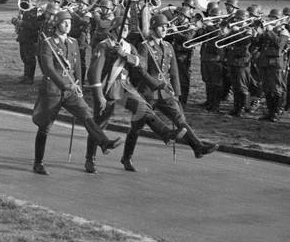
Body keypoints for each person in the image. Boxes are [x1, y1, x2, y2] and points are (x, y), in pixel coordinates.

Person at [85, 20, 181, 174]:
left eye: (128, 28)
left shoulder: (128, 46)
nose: (125, 30)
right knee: (100, 124)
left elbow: (141, 63)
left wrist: (124, 55)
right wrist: (99, 95)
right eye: (122, 28)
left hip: (124, 87)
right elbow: (94, 73)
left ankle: (165, 133)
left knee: (143, 108)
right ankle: (90, 158)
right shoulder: (104, 45)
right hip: (107, 88)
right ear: (113, 30)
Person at [32, 9, 121, 174]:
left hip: (72, 90)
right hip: (53, 89)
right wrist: (65, 85)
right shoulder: (48, 42)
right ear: (57, 24)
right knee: (44, 127)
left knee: (87, 115)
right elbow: (48, 68)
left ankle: (104, 143)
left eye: (70, 23)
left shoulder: (72, 42)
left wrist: (78, 84)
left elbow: (78, 66)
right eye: (64, 23)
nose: (67, 25)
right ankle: (38, 163)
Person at [125, 14, 219, 168]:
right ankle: (127, 158)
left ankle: (198, 147)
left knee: (180, 119)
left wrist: (178, 93)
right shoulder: (145, 46)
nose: (165, 29)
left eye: (166, 26)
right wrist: (156, 84)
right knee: (137, 126)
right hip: (148, 92)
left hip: (166, 92)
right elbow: (142, 70)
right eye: (161, 26)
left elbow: (174, 72)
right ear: (154, 28)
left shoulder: (168, 46)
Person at [255, 10, 289, 121]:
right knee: (267, 89)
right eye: (270, 18)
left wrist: (270, 32)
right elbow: (258, 45)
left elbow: (279, 45)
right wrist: (259, 34)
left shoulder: (283, 32)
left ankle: (275, 113)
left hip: (275, 65)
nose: (271, 20)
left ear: (279, 20)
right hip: (265, 63)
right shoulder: (268, 31)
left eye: (274, 18)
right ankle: (269, 112)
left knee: (276, 89)